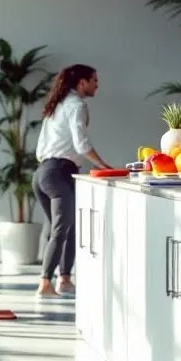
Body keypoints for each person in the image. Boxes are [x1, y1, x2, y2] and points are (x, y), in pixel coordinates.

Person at [32, 63, 113, 299]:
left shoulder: (56, 106)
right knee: (61, 229)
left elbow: (40, 148)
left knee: (64, 227)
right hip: (59, 173)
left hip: (42, 172)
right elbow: (81, 145)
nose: (97, 84)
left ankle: (64, 280)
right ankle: (45, 284)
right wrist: (102, 165)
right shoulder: (77, 105)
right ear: (82, 83)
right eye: (94, 80)